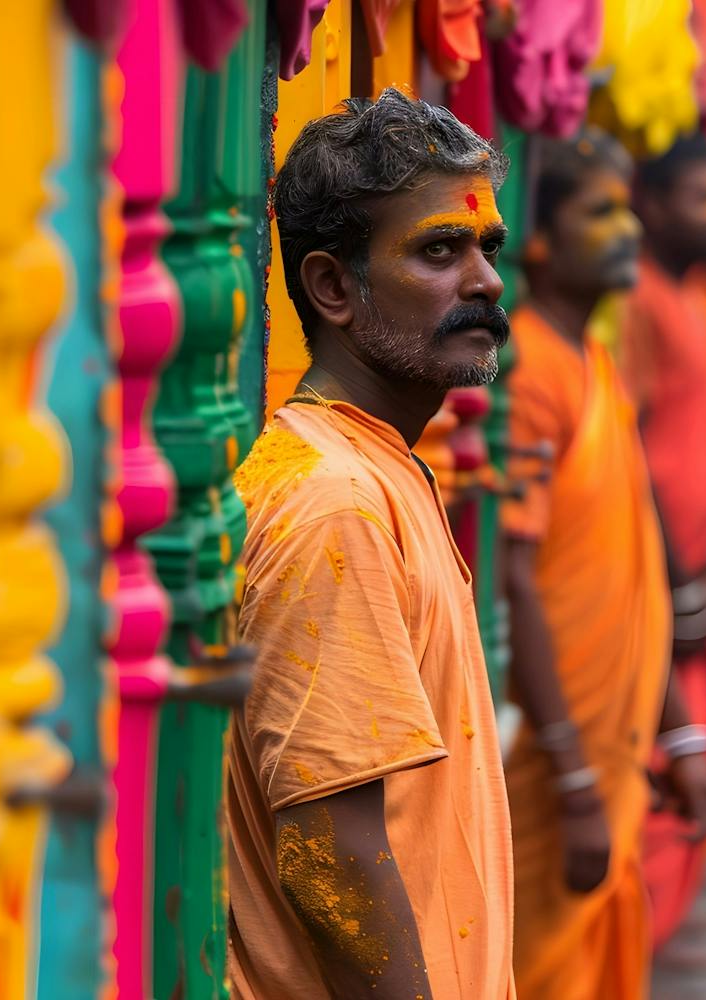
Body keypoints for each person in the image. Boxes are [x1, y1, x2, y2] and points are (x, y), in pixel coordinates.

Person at [227, 88, 517, 1000]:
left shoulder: (377, 468)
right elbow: (331, 854)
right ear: (332, 287)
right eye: (440, 249)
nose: (486, 281)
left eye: (488, 248)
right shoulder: (334, 500)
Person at [500, 127, 706, 999]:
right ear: (542, 238)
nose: (627, 229)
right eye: (602, 212)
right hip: (553, 771)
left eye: (629, 210)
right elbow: (516, 578)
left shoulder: (592, 358)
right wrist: (578, 782)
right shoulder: (526, 375)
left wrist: (678, 729)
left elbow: (632, 582)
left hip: (609, 747)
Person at [622, 133, 706, 948]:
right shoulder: (640, 299)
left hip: (700, 570)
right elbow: (630, 450)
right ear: (654, 206)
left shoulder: (691, 288)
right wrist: (679, 579)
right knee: (667, 768)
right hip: (666, 581)